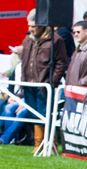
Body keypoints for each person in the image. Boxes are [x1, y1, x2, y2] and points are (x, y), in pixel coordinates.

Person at [20, 9, 68, 152]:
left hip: (45, 84)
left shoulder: (56, 40)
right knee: (34, 115)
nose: (30, 29)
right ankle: (38, 145)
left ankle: (50, 145)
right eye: (29, 26)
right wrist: (23, 80)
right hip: (29, 83)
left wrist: (52, 82)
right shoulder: (28, 39)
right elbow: (24, 61)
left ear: (41, 25)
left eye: (33, 26)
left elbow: (61, 63)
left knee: (46, 114)